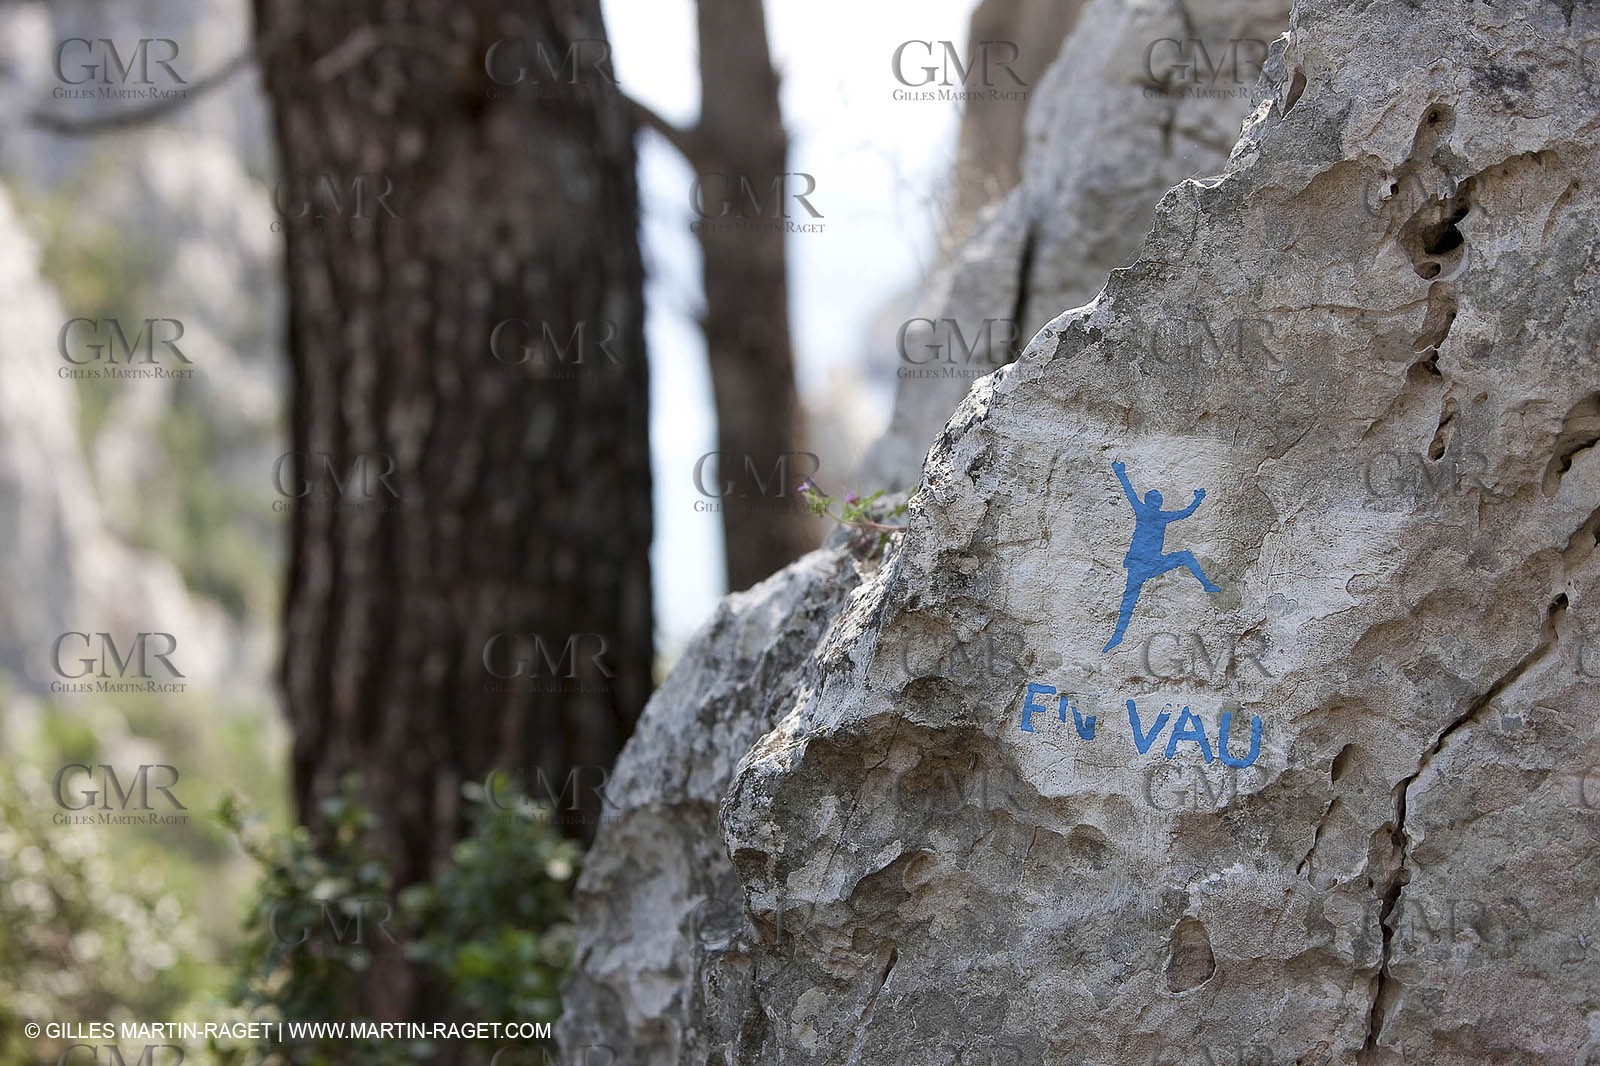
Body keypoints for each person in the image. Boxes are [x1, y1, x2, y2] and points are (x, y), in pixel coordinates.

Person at [1104, 461, 1220, 652]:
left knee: (1184, 556)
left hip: (1151, 563)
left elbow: (1186, 513)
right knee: (1129, 600)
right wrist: (1120, 472)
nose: (1158, 502)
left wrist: (1198, 499)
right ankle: (1117, 637)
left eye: (1159, 500)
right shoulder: (1145, 512)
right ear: (1151, 501)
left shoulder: (1158, 515)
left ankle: (1207, 584)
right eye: (1156, 499)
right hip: (1141, 564)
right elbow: (1129, 492)